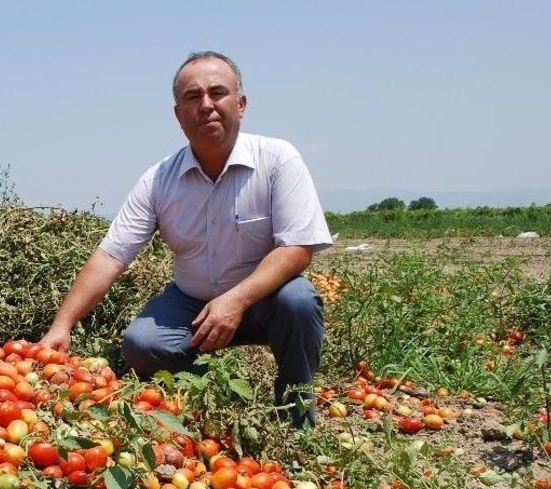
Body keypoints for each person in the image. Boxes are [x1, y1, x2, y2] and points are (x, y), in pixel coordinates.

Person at [40, 51, 333, 427]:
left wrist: (236, 299)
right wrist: (62, 325)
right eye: (192, 97)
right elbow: (111, 256)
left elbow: (297, 248)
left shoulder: (278, 159)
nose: (206, 105)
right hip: (191, 304)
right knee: (142, 345)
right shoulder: (160, 180)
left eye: (218, 93)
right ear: (178, 115)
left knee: (299, 302)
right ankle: (201, 400)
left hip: (263, 301)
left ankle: (297, 417)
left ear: (240, 104)